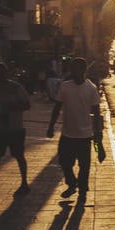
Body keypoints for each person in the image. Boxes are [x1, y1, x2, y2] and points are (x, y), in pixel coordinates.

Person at [47, 58, 102, 204]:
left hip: (85, 135)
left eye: (79, 69)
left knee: (84, 166)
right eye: (74, 69)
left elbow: (97, 113)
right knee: (65, 163)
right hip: (67, 134)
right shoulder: (65, 87)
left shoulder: (91, 88)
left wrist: (98, 137)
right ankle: (72, 184)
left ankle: (82, 191)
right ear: (71, 71)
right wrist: (51, 126)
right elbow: (57, 107)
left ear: (84, 70)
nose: (76, 72)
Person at [0, 62, 31, 202]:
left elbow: (27, 105)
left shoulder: (16, 87)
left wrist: (11, 107)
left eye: (2, 72)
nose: (0, 75)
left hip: (15, 129)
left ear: (7, 73)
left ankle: (24, 183)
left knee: (19, 156)